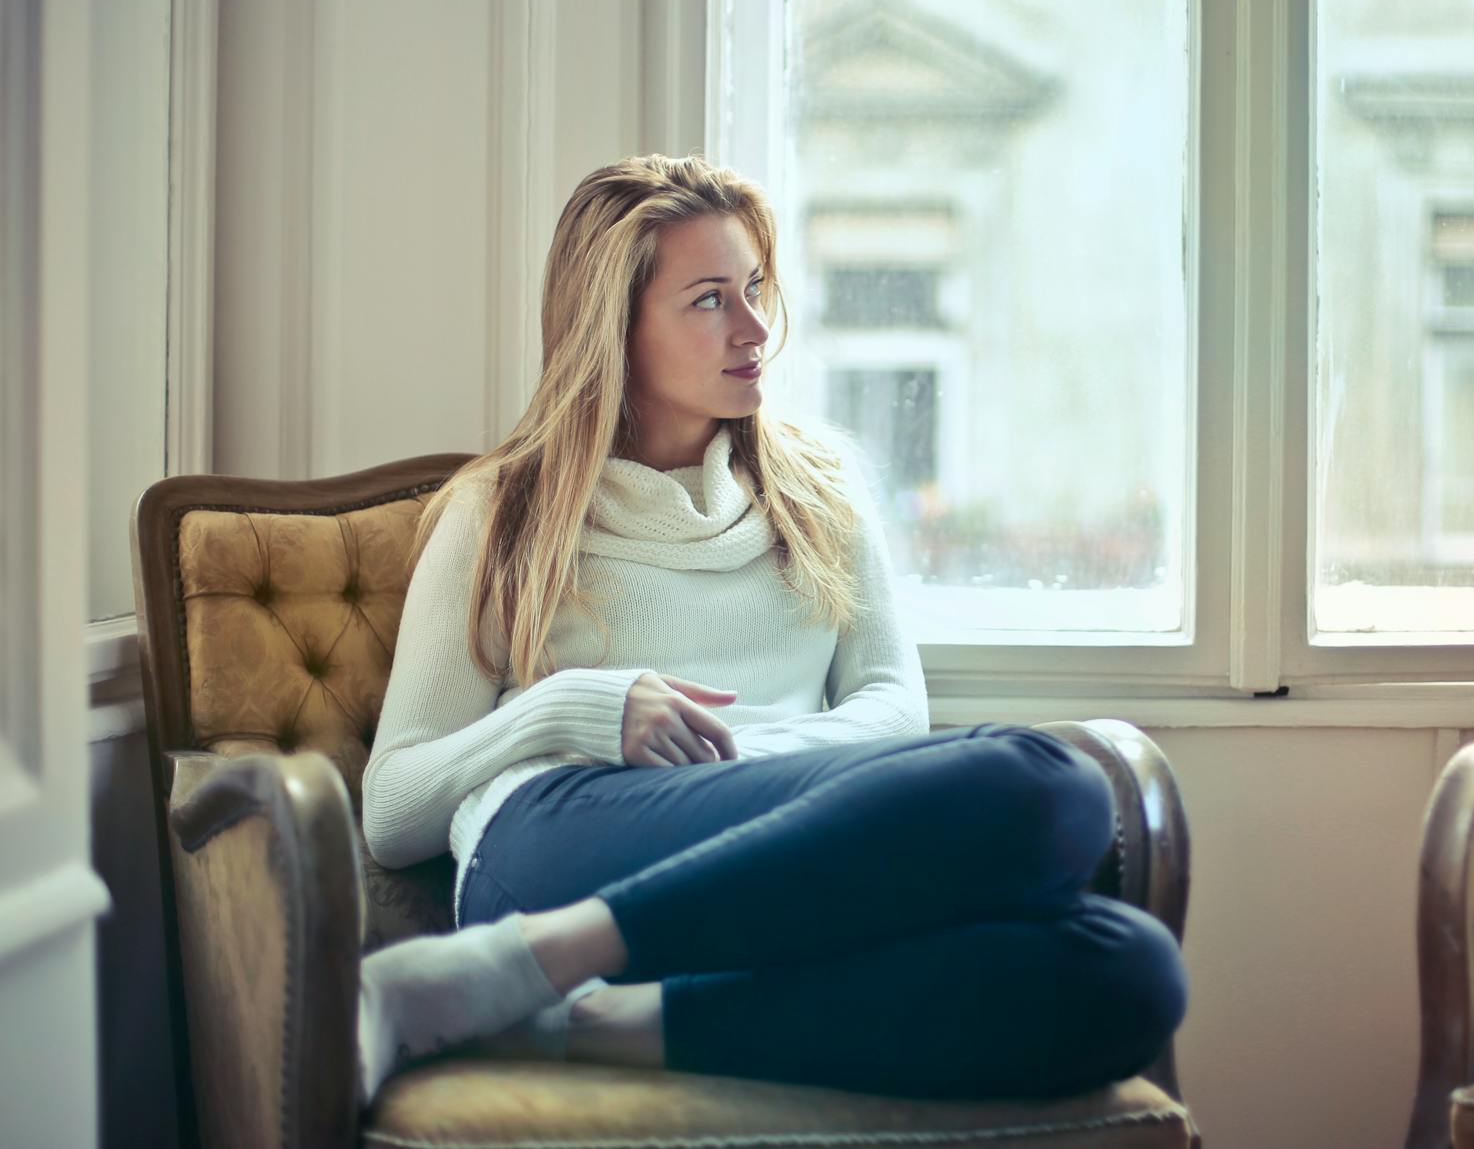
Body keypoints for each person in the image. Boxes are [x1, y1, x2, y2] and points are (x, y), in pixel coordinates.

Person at [355, 153, 1188, 1107]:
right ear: (611, 330)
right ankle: (530, 955)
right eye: (710, 299)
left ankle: (584, 1017)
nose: (754, 329)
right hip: (558, 840)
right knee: (1049, 784)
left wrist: (748, 761)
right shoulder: (502, 511)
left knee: (1129, 970)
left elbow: (892, 705)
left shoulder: (819, 487)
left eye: (753, 288)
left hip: (783, 845)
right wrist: (571, 708)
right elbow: (393, 807)